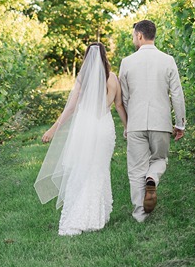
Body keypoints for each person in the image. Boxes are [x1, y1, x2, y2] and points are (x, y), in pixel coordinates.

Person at [34, 42, 127, 236]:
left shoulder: (83, 79)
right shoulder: (113, 78)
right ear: (104, 56)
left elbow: (71, 107)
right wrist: (127, 127)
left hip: (85, 127)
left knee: (82, 169)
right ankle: (96, 216)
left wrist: (53, 129)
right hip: (104, 128)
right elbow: (118, 105)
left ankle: (80, 217)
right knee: (99, 169)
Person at [118, 19, 186, 222]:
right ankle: (152, 178)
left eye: (133, 36)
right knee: (159, 159)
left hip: (136, 123)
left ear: (139, 35)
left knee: (136, 168)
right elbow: (177, 94)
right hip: (161, 122)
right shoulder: (168, 60)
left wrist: (128, 124)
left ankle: (140, 214)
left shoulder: (127, 62)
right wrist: (180, 123)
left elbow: (124, 98)